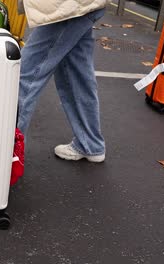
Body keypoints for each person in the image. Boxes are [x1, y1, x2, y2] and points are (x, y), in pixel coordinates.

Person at [16, 0, 109, 162]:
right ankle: (90, 143)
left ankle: (7, 150)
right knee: (76, 73)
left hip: (66, 6)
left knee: (27, 73)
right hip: (77, 6)